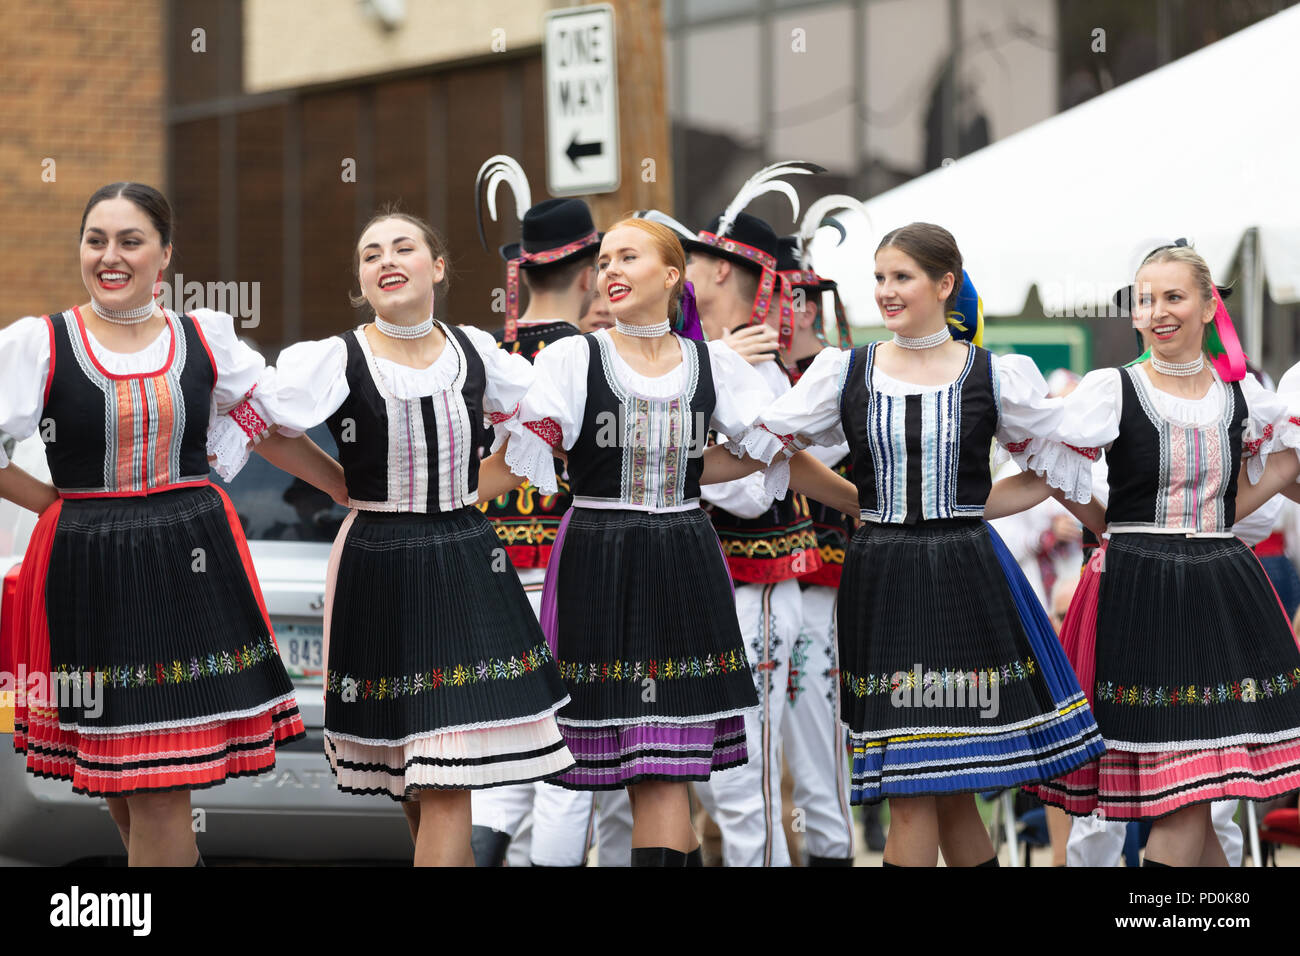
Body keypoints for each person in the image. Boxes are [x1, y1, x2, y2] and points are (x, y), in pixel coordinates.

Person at [732, 222, 1106, 867]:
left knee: (950, 784)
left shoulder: (994, 373)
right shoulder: (845, 370)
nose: (886, 291)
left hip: (965, 575)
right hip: (885, 577)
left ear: (945, 284)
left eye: (901, 277)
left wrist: (1098, 524)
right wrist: (862, 503)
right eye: (879, 278)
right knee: (914, 784)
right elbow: (778, 449)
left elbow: (1055, 464)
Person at [211, 207, 574, 866]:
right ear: (362, 278)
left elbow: (543, 426)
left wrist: (466, 491)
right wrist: (331, 481)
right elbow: (257, 420)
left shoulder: (476, 352)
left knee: (445, 775)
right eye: (370, 253)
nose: (385, 260)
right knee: (417, 775)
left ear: (436, 267)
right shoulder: (336, 358)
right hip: (376, 561)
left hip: (464, 559)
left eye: (402, 247)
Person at [501, 217, 855, 865]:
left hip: (682, 557)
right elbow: (516, 453)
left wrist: (859, 493)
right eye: (604, 259)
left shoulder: (709, 363)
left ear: (671, 276)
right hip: (598, 559)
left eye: (627, 257)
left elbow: (755, 449)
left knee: (666, 767)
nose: (609, 269)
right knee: (588, 763)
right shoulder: (574, 358)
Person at [0, 182, 334, 866]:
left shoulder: (201, 336)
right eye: (96, 240)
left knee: (157, 785)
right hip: (84, 568)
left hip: (187, 563)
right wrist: (54, 505)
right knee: (124, 783)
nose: (110, 257)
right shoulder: (41, 342)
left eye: (130, 241)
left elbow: (270, 425)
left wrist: (356, 491)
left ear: (165, 255)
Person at [1021, 241, 1300, 866]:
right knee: (1186, 795)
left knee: (1199, 796)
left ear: (1208, 307)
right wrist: (1112, 529)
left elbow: (1230, 504)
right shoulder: (1112, 390)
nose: (1157, 311)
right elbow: (1058, 474)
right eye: (1146, 299)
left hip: (1222, 587)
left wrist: (1282, 469)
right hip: (1143, 592)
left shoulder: (1243, 399)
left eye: (1174, 297)